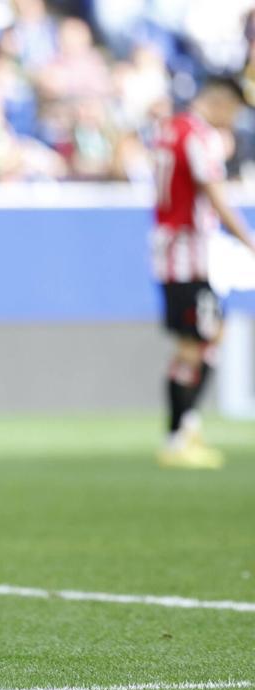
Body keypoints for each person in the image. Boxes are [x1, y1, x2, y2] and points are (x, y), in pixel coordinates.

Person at [152, 76, 255, 469]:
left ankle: (186, 428)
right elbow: (212, 192)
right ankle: (178, 437)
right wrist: (248, 240)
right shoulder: (198, 135)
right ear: (221, 102)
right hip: (188, 255)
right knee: (192, 346)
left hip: (172, 252)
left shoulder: (170, 130)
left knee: (208, 336)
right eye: (232, 112)